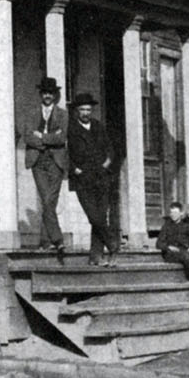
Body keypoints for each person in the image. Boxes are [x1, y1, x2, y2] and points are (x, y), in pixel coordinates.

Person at [66, 93, 120, 266]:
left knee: (100, 217)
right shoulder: (71, 129)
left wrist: (107, 162)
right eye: (82, 109)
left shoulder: (98, 126)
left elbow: (110, 148)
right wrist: (74, 168)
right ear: (76, 111)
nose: (86, 113)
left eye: (88, 109)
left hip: (101, 177)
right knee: (93, 217)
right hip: (83, 179)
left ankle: (95, 257)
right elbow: (64, 153)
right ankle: (112, 244)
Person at [23, 77, 69, 253]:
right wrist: (49, 139)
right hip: (38, 162)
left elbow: (62, 137)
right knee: (47, 200)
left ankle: (48, 240)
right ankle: (56, 240)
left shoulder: (63, 114)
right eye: (45, 92)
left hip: (56, 161)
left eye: (51, 93)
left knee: (50, 201)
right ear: (41, 94)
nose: (48, 96)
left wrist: (41, 136)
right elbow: (27, 136)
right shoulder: (31, 113)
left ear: (55, 95)